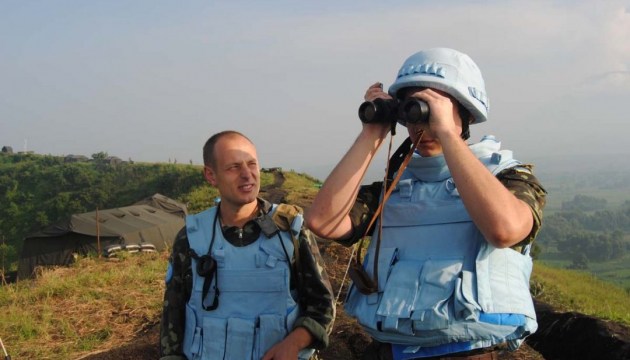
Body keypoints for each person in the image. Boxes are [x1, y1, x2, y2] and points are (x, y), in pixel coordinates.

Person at [305, 48, 547, 360]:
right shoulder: (395, 188)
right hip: (390, 350)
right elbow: (323, 221)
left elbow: (505, 230)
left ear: (467, 113)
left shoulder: (508, 178)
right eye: (414, 114)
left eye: (432, 112)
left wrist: (447, 132)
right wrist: (372, 132)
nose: (422, 127)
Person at [160, 130, 335, 360]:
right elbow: (173, 315)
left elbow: (323, 306)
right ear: (211, 175)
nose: (247, 175)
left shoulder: (290, 230)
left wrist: (293, 344)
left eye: (252, 164)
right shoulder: (191, 238)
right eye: (233, 167)